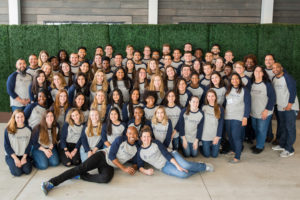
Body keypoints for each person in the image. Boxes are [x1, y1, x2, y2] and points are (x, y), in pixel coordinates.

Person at [41, 126, 140, 195]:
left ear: (137, 136)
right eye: (129, 133)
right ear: (126, 134)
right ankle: (50, 183)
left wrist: (133, 167)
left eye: (134, 134)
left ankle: (81, 176)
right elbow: (111, 156)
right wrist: (124, 169)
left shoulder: (136, 148)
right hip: (102, 156)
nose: (132, 135)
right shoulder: (120, 139)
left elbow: (136, 163)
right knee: (80, 168)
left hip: (110, 165)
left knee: (105, 179)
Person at [137, 126, 213, 179]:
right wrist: (146, 171)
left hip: (171, 156)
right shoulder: (140, 152)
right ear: (141, 138)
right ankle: (194, 167)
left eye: (148, 136)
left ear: (151, 137)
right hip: (163, 167)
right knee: (183, 175)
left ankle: (204, 166)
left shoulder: (156, 143)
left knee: (186, 166)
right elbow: (140, 166)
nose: (146, 139)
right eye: (144, 137)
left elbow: (166, 154)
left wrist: (178, 166)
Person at [271, 63, 299, 157]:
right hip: (280, 107)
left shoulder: (287, 77)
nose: (274, 69)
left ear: (281, 68)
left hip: (290, 107)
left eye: (276, 67)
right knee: (282, 126)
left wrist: (290, 105)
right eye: (273, 68)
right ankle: (282, 144)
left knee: (289, 128)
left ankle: (289, 149)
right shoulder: (274, 79)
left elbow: (293, 91)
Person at [224, 73, 251, 163]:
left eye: (236, 79)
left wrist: (245, 117)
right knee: (230, 136)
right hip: (228, 116)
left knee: (236, 137)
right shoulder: (228, 89)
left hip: (238, 117)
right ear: (230, 81)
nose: (234, 81)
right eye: (232, 79)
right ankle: (234, 150)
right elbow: (226, 103)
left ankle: (237, 157)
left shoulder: (244, 90)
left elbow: (248, 105)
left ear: (239, 80)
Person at [250, 66, 276, 154]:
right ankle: (259, 142)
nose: (257, 73)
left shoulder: (267, 84)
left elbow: (272, 98)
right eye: (255, 71)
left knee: (261, 129)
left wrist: (267, 110)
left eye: (259, 71)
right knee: (255, 128)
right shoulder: (251, 83)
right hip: (253, 112)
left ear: (262, 73)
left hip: (264, 112)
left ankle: (260, 146)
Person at [4, 110, 32, 176]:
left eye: (22, 116)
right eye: (18, 117)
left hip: (23, 155)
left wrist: (24, 157)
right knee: (17, 173)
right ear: (14, 118)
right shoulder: (9, 129)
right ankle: (11, 163)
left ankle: (28, 161)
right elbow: (6, 146)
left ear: (24, 117)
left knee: (27, 171)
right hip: (12, 155)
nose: (20, 119)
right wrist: (16, 159)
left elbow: (29, 145)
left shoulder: (29, 129)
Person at [201, 89, 224, 158]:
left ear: (215, 97)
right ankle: (202, 145)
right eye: (209, 96)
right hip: (205, 135)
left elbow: (221, 124)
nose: (211, 98)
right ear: (206, 97)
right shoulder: (203, 107)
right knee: (207, 155)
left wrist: (217, 136)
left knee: (214, 155)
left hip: (215, 135)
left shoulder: (220, 108)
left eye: (212, 96)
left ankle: (212, 145)